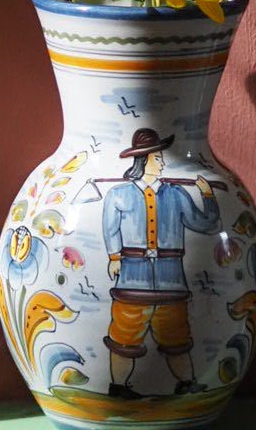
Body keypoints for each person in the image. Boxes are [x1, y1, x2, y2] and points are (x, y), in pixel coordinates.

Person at [101, 127, 221, 398]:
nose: (163, 162)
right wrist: (114, 257)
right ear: (144, 161)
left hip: (171, 280)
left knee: (177, 337)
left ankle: (186, 382)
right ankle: (119, 386)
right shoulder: (118, 195)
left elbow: (206, 224)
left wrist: (208, 196)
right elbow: (110, 227)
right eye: (158, 158)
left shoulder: (177, 195)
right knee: (124, 336)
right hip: (133, 278)